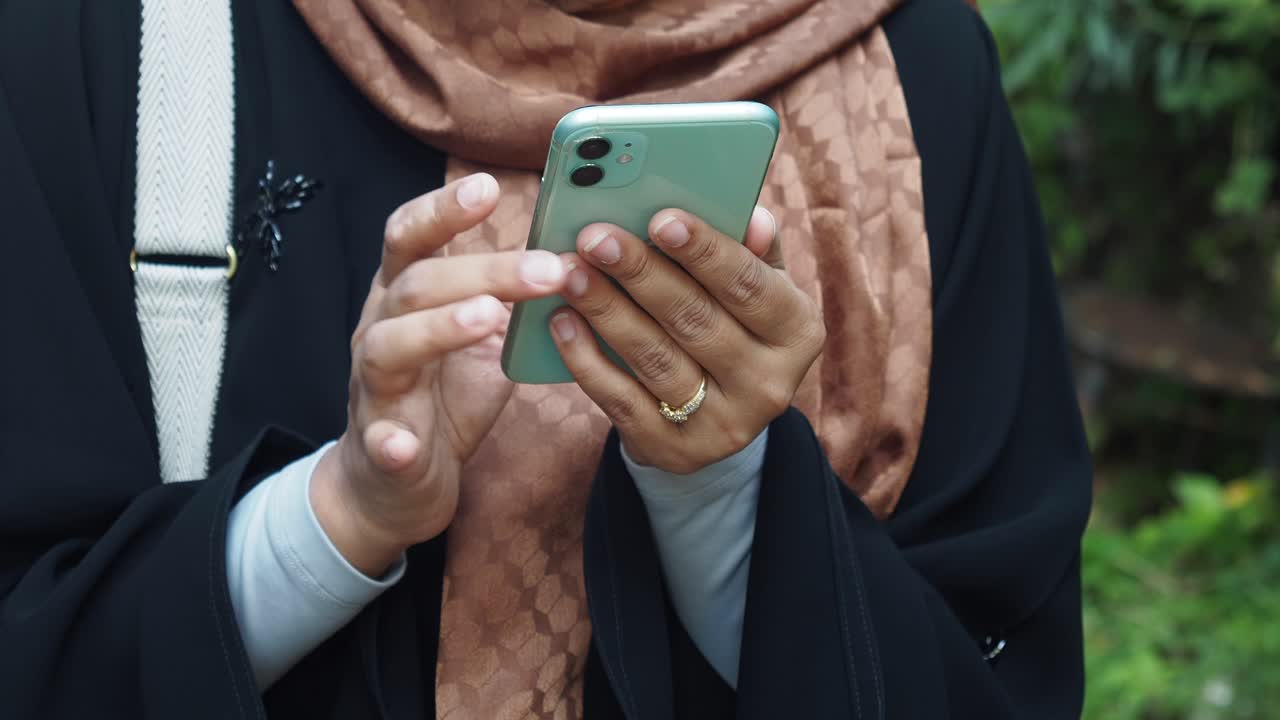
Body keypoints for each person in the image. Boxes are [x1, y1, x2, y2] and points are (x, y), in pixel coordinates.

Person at [0, 0, 1092, 717]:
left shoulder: (914, 66)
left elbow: (999, 662)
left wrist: (724, 490)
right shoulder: (110, 41)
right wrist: (337, 517)